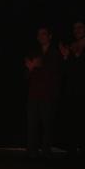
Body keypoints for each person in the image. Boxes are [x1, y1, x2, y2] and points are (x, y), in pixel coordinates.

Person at [24, 26, 62, 158]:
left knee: (47, 125)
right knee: (32, 124)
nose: (41, 36)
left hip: (48, 94)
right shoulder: (34, 52)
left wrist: (37, 65)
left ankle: (46, 152)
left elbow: (56, 72)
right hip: (34, 93)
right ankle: (31, 151)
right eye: (39, 34)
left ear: (49, 36)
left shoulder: (55, 52)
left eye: (44, 34)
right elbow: (26, 74)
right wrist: (30, 68)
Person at [59, 19, 85, 158]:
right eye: (75, 28)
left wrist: (77, 55)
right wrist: (67, 56)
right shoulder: (71, 48)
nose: (77, 30)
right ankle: (72, 152)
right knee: (72, 123)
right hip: (73, 92)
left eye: (80, 27)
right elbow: (67, 72)